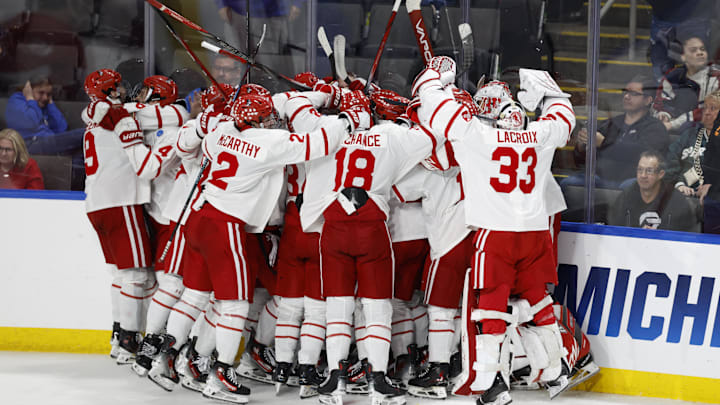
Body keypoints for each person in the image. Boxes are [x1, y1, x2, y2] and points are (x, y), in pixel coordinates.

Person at [415, 62, 576, 404]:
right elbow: (563, 116)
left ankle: (491, 382)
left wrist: (436, 77)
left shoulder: (479, 135)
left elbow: (433, 106)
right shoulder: (539, 135)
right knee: (537, 299)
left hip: (496, 234)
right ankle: (555, 369)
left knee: (490, 307)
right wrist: (541, 87)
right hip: (533, 235)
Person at [81, 69, 153, 365]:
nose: (124, 90)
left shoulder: (94, 115)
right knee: (136, 275)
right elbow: (121, 116)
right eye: (119, 87)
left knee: (120, 276)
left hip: (97, 204)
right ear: (110, 91)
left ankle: (118, 334)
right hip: (121, 201)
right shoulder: (117, 117)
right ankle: (129, 339)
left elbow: (100, 110)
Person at [568, 76, 670, 189]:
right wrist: (582, 147)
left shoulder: (655, 128)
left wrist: (604, 143)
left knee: (630, 187)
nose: (626, 96)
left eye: (634, 94)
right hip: (600, 178)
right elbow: (580, 162)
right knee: (569, 182)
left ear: (648, 100)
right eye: (625, 92)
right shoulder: (610, 123)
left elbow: (640, 153)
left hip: (632, 179)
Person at [4, 76, 85, 189]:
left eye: (48, 94)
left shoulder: (43, 104)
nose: (45, 97)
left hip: (48, 143)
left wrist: (50, 104)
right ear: (29, 90)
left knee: (80, 159)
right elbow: (31, 122)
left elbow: (61, 128)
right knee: (85, 133)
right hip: (29, 144)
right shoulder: (17, 100)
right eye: (41, 93)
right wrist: (30, 99)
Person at [607, 150, 695, 232]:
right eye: (640, 170)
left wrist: (657, 237)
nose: (643, 175)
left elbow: (687, 239)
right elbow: (614, 231)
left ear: (661, 174)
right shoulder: (626, 197)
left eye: (649, 171)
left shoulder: (677, 200)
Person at [653, 36, 720, 133]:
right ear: (683, 57)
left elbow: (710, 111)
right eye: (693, 50)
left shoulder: (716, 78)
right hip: (679, 128)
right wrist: (664, 114)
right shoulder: (672, 77)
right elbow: (660, 104)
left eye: (702, 49)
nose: (700, 53)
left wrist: (673, 124)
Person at [665, 90, 720, 196]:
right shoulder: (689, 135)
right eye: (705, 108)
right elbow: (671, 159)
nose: (707, 112)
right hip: (680, 192)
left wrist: (712, 188)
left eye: (713, 108)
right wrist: (678, 184)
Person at [215, 0, 304, 55]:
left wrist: (297, 2)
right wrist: (221, 3)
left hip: (275, 13)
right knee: (236, 62)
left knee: (272, 66)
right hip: (236, 11)